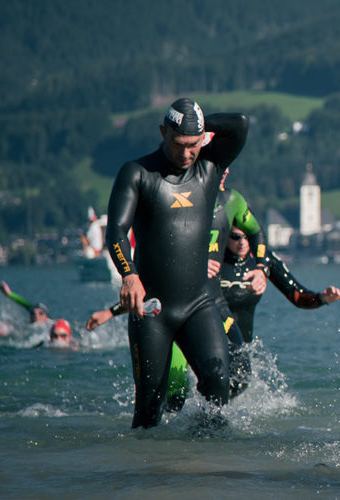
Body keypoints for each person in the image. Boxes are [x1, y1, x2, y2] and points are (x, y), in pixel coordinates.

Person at [106, 97, 249, 428]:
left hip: (198, 304)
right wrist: (129, 275)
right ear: (162, 132)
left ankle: (200, 465)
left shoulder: (209, 167)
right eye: (177, 143)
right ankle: (149, 476)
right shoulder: (138, 173)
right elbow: (116, 232)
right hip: (153, 310)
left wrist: (196, 123)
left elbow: (240, 123)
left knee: (217, 383)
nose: (186, 154)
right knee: (148, 410)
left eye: (193, 145)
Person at [219, 227, 340, 342]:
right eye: (236, 237)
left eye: (247, 236)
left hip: (241, 346)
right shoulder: (212, 258)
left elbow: (297, 296)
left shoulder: (263, 260)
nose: (242, 242)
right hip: (211, 341)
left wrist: (322, 298)